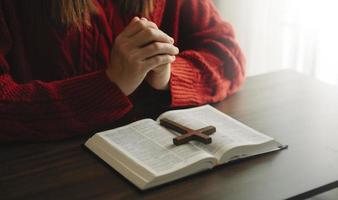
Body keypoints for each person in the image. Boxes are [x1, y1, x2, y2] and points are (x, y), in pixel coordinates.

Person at [0, 0, 245, 142]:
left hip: (151, 154)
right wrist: (110, 85)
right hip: (48, 169)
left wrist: (165, 75)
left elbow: (228, 57)